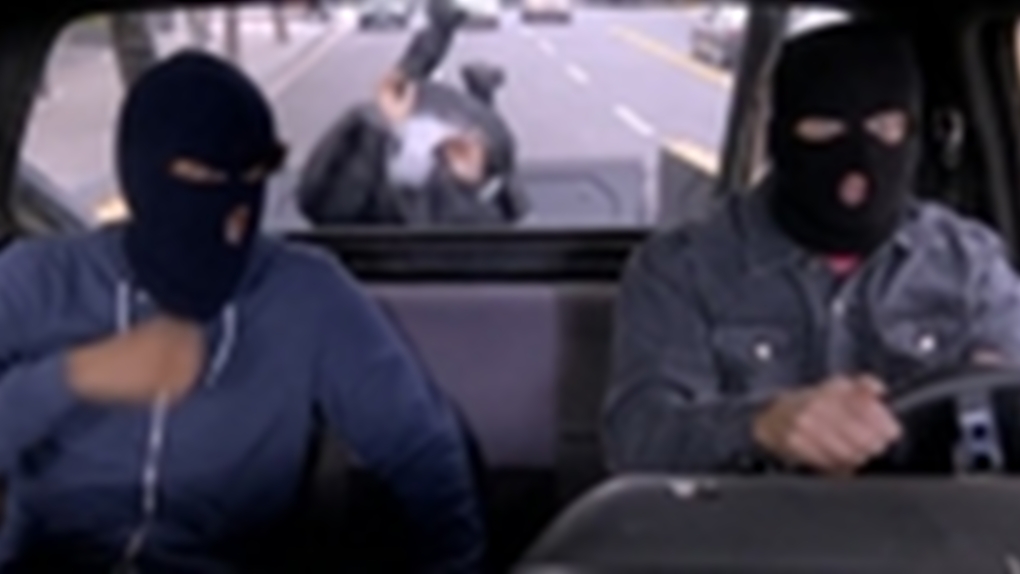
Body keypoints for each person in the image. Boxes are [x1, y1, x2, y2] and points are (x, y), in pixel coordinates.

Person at [0, 51, 483, 573]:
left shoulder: (308, 294)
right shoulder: (39, 279)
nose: (234, 219)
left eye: (253, 177)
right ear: (141, 175)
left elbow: (421, 447)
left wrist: (455, 564)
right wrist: (79, 375)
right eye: (204, 178)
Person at [603, 21, 1020, 476]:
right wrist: (761, 426)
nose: (858, 160)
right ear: (780, 137)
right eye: (824, 129)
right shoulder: (684, 269)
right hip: (753, 519)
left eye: (885, 128)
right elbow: (636, 440)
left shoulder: (969, 265)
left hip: (932, 518)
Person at [296, 0, 529, 227]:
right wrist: (468, 184)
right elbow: (482, 230)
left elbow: (317, 196)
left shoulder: (335, 207)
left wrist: (392, 133)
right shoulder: (467, 218)